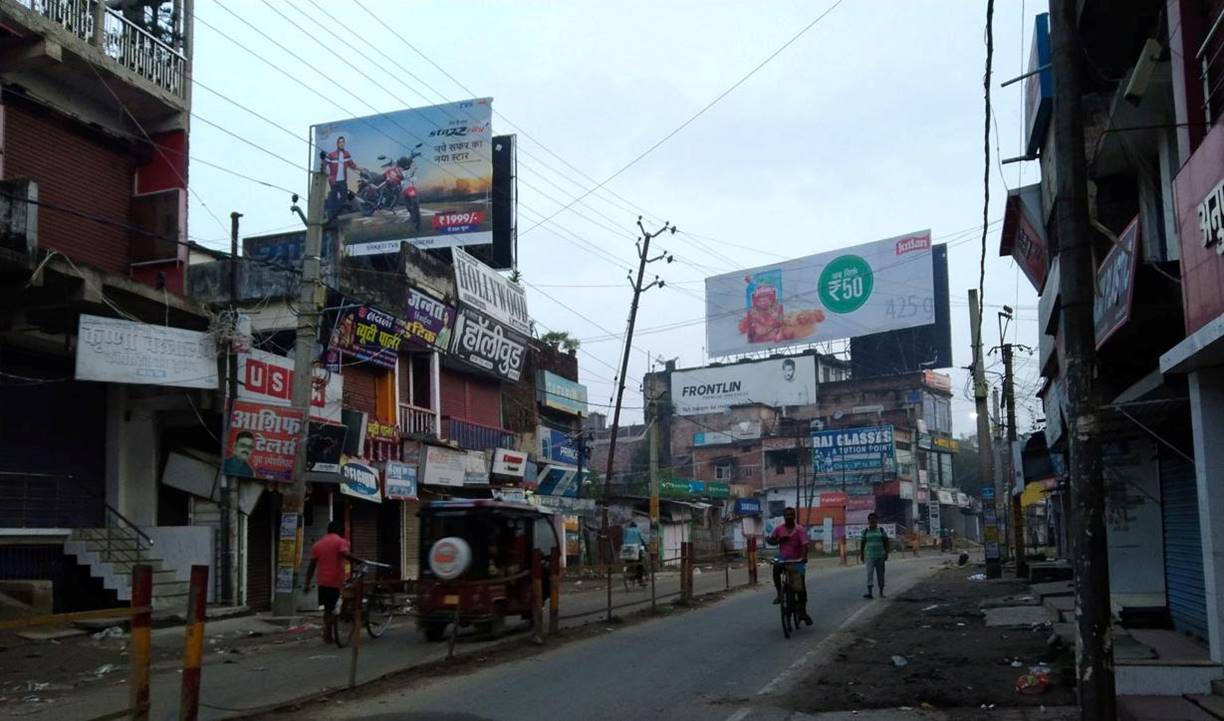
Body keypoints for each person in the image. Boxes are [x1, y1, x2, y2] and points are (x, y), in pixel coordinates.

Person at [304, 521, 360, 644]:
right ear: (339, 530)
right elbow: (345, 553)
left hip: (322, 581)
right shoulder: (340, 541)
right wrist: (357, 559)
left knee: (327, 609)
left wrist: (307, 583)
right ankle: (328, 632)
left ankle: (328, 634)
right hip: (335, 580)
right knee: (337, 607)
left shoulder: (318, 544)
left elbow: (311, 566)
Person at [767, 507, 812, 625]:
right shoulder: (779, 529)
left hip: (797, 560)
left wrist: (803, 558)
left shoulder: (799, 529)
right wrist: (778, 540)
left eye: (791, 514)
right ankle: (779, 593)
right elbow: (771, 540)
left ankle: (802, 612)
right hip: (783, 558)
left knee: (801, 587)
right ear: (784, 516)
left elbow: (805, 545)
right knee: (776, 567)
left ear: (794, 516)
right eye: (787, 515)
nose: (789, 517)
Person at [322, 136, 360, 220]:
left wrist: (360, 169)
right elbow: (324, 164)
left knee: (343, 197)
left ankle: (334, 212)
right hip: (334, 181)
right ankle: (331, 216)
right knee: (334, 197)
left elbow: (352, 165)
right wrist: (328, 175)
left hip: (343, 180)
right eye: (340, 142)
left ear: (344, 143)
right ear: (337, 144)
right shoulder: (331, 154)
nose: (342, 143)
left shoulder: (347, 154)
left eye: (343, 142)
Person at [860, 512, 890, 599]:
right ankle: (870, 593)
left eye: (874, 519)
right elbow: (862, 544)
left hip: (880, 556)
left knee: (881, 574)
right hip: (869, 556)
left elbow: (886, 541)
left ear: (877, 520)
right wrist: (861, 555)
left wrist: (886, 553)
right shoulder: (865, 531)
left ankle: (881, 592)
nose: (872, 520)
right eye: (871, 519)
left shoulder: (881, 530)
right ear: (868, 521)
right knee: (869, 574)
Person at [621, 520, 647, 586]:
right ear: (636, 526)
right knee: (639, 563)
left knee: (629, 562)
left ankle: (629, 572)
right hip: (636, 549)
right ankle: (640, 580)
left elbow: (623, 540)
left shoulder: (626, 530)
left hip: (626, 549)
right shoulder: (638, 530)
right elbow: (642, 539)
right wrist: (646, 547)